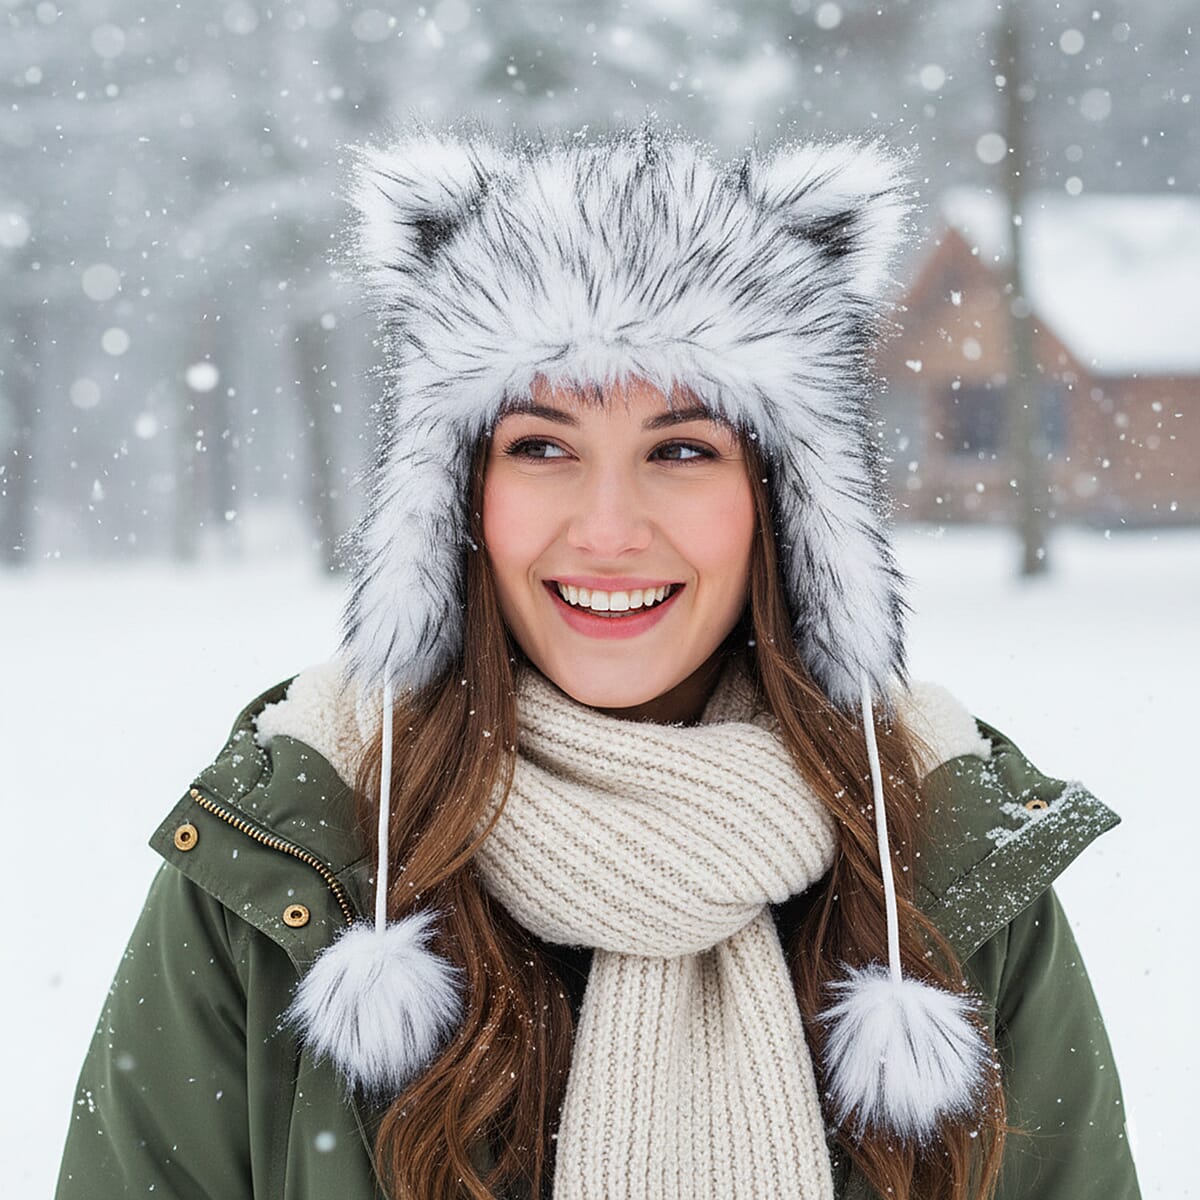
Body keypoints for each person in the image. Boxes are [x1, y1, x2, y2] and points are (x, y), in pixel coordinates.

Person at [54, 119, 1142, 1200]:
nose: (608, 529)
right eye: (541, 447)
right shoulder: (294, 855)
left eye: (680, 449)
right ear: (455, 499)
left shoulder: (942, 860)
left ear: (783, 500)